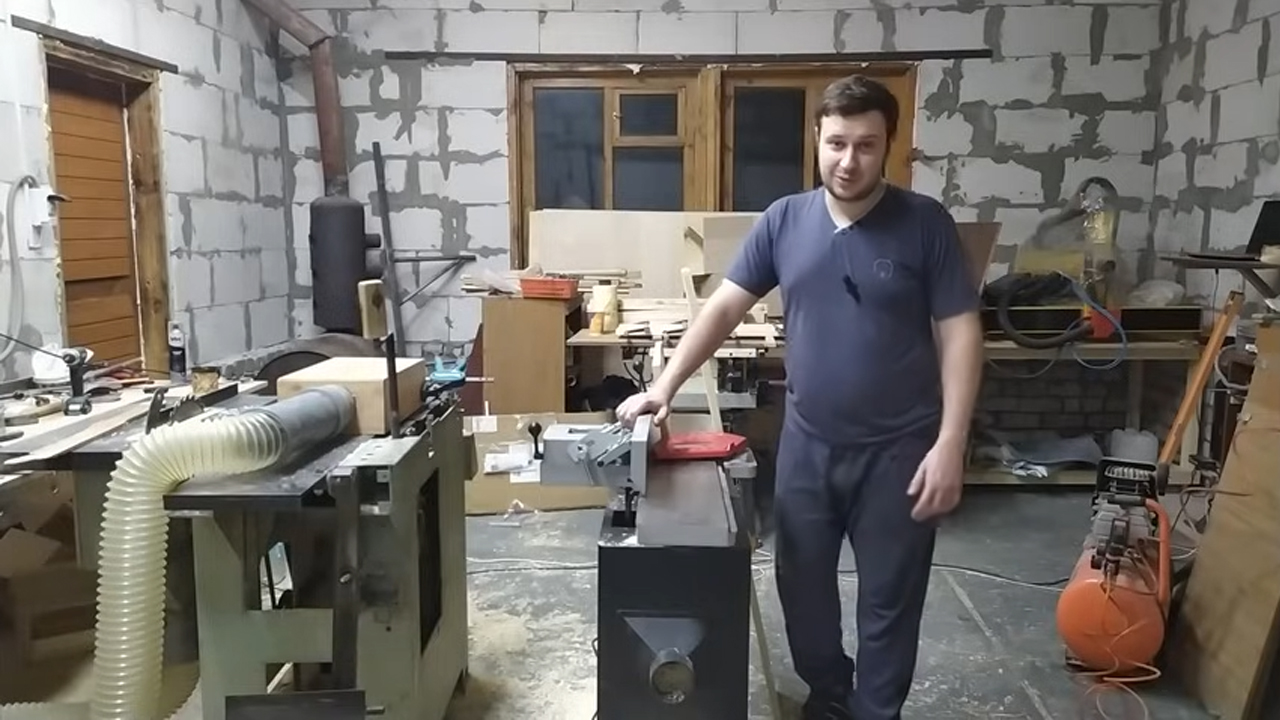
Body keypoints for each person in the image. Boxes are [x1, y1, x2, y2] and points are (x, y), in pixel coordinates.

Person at [614, 74, 985, 720]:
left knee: (889, 601)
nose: (848, 160)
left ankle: (876, 711)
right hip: (809, 447)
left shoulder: (925, 224)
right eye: (836, 143)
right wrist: (663, 388)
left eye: (866, 145)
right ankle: (831, 694)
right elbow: (723, 308)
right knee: (802, 591)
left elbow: (960, 333)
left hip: (900, 452)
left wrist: (951, 442)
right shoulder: (785, 220)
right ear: (816, 138)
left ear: (889, 145)